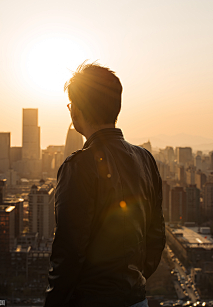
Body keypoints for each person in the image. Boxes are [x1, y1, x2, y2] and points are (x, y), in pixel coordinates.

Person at [44, 62, 166, 307]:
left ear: (77, 109)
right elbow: (156, 235)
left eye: (71, 105)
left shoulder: (78, 166)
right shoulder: (145, 159)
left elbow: (69, 250)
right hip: (136, 299)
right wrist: (133, 279)